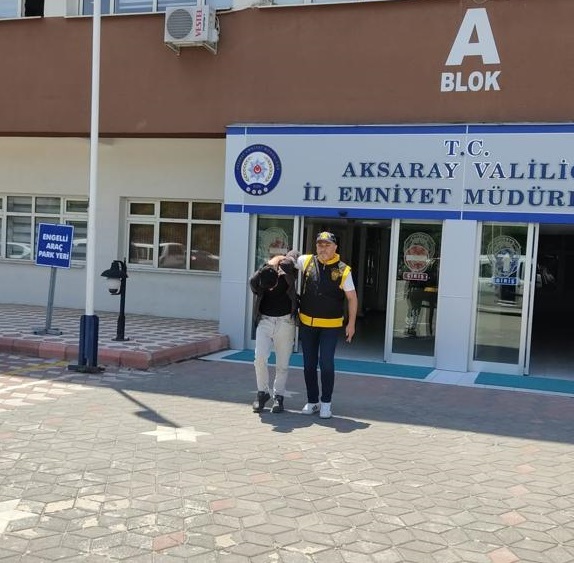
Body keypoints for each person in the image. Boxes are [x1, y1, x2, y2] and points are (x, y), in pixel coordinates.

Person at [296, 232, 357, 419]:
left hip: (330, 326)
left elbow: (352, 298)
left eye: (327, 245)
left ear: (335, 247)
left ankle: (326, 403)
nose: (323, 248)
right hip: (307, 324)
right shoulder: (306, 261)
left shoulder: (343, 270)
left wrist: (351, 324)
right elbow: (288, 259)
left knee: (326, 364)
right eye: (320, 245)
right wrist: (276, 261)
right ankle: (312, 401)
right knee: (308, 365)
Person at [249, 251, 300, 413]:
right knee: (259, 358)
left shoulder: (286, 269)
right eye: (267, 287)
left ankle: (279, 396)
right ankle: (262, 393)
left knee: (282, 363)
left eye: (273, 285)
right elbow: (253, 284)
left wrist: (283, 259)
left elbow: (294, 256)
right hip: (265, 320)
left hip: (285, 321)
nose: (270, 289)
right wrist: (269, 265)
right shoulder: (258, 278)